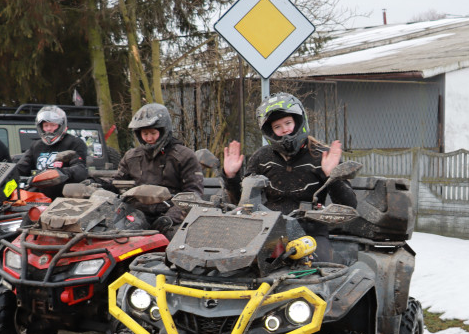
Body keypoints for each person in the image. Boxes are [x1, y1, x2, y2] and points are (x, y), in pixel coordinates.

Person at [221, 92, 356, 214]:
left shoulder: (324, 157)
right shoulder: (261, 157)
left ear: (298, 122)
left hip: (310, 230)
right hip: (269, 229)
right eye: (277, 127)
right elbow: (242, 204)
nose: (284, 130)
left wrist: (332, 176)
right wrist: (231, 176)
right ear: (270, 132)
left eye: (288, 123)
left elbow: (349, 206)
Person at [115, 102, 204, 237]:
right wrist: (97, 185)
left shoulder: (184, 156)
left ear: (163, 131)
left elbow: (193, 195)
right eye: (144, 134)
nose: (149, 138)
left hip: (171, 218)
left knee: (178, 239)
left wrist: (170, 218)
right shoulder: (131, 156)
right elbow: (117, 184)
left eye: (153, 133)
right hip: (136, 215)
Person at [15, 105, 89, 198]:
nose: (49, 129)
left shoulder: (74, 143)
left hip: (64, 198)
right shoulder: (36, 145)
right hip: (38, 198)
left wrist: (61, 173)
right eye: (46, 125)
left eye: (53, 125)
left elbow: (80, 170)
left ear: (60, 126)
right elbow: (21, 168)